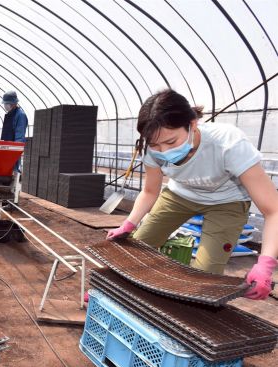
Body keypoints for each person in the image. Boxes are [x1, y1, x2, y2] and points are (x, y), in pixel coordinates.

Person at [107, 89, 278, 301]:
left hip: (227, 202)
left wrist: (265, 264)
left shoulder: (228, 144)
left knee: (205, 275)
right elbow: (150, 191)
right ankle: (109, 294)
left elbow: (273, 211)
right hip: (180, 195)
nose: (163, 151)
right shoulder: (152, 148)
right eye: (155, 145)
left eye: (171, 142)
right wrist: (129, 224)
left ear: (192, 124)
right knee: (136, 248)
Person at [0, 90, 28, 172]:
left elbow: (19, 137)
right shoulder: (10, 114)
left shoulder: (20, 115)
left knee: (13, 171)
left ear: (12, 104)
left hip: (13, 151)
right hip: (6, 148)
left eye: (6, 103)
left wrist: (14, 154)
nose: (5, 105)